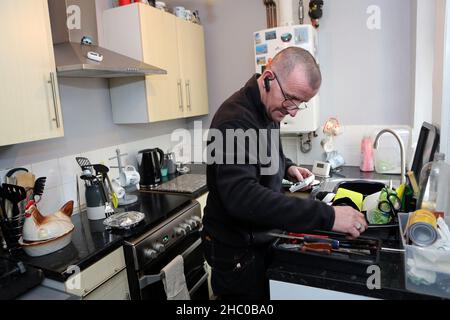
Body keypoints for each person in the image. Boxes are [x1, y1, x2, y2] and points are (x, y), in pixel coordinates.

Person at [201, 47, 367, 300]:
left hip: (258, 237)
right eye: (291, 99)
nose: (292, 111)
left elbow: (266, 150)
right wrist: (328, 216)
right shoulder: (233, 121)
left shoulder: (269, 106)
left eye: (301, 103)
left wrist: (287, 166)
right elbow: (243, 198)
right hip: (235, 250)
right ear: (268, 78)